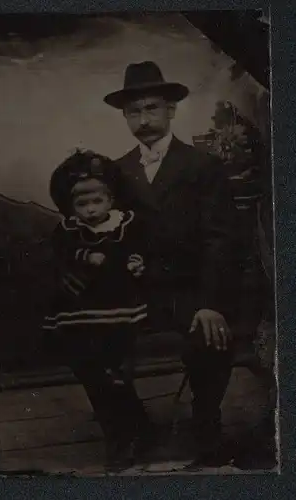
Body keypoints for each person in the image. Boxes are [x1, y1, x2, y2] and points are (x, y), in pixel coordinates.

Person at [104, 61, 236, 467]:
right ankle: (132, 427)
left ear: (171, 110)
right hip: (137, 290)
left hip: (189, 288)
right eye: (134, 112)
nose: (143, 120)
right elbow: (110, 233)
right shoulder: (116, 171)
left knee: (208, 334)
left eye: (151, 109)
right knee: (85, 336)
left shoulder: (202, 167)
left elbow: (221, 240)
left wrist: (211, 301)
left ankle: (206, 421)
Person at [42, 149, 153, 469]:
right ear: (71, 205)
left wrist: (136, 263)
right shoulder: (68, 231)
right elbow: (59, 258)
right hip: (78, 310)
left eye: (97, 202)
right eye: (82, 204)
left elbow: (140, 249)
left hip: (118, 308)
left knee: (116, 369)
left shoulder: (126, 225)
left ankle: (132, 431)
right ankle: (119, 431)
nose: (90, 210)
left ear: (111, 199)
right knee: (91, 368)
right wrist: (83, 258)